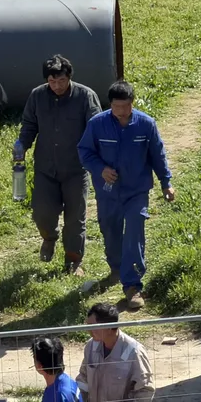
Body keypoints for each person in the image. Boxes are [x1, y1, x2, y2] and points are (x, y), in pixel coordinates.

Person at [77, 80, 176, 311]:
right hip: (108, 193)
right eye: (117, 107)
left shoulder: (145, 124)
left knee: (134, 230)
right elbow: (84, 152)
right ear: (110, 104)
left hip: (136, 191)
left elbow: (157, 155)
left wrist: (166, 183)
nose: (122, 111)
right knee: (110, 230)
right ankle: (116, 268)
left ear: (133, 102)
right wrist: (101, 169)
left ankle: (132, 286)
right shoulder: (97, 124)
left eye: (126, 106)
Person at [16, 54, 103, 274]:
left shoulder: (85, 97)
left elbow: (97, 129)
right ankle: (49, 237)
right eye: (52, 82)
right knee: (41, 213)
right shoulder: (37, 96)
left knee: (75, 218)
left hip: (76, 168)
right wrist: (22, 144)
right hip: (46, 167)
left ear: (69, 77)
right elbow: (29, 124)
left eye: (61, 81)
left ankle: (74, 260)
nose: (56, 86)